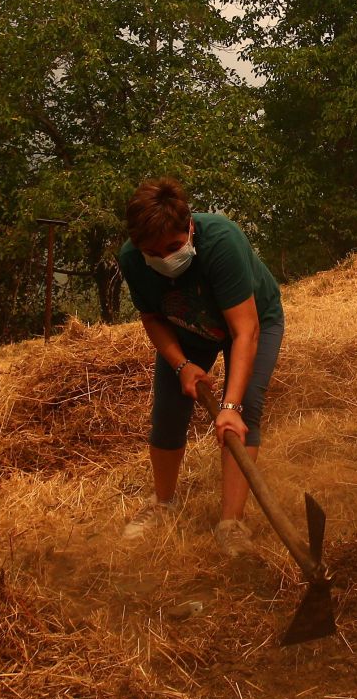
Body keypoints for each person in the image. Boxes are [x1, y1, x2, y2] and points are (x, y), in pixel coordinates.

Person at [116, 177, 284, 554]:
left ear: (190, 227)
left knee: (246, 412)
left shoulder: (222, 242)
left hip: (253, 320)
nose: (164, 259)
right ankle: (162, 503)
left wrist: (230, 406)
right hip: (188, 324)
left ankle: (232, 522)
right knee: (169, 410)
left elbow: (245, 330)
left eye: (173, 248)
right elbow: (152, 319)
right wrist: (181, 366)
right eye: (153, 253)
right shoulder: (131, 259)